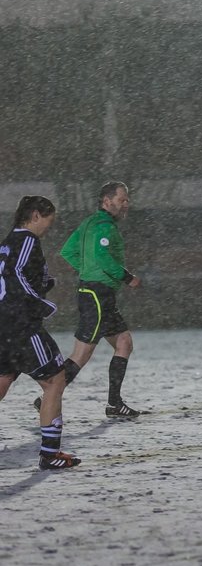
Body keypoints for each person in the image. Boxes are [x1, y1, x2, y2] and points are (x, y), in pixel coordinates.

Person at [49, 181, 146, 418]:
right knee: (81, 355)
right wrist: (127, 277)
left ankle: (115, 404)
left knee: (124, 343)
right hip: (96, 295)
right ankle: (47, 396)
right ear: (106, 201)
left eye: (127, 199)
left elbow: (67, 251)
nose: (126, 204)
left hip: (96, 294)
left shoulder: (88, 223)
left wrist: (87, 269)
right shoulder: (104, 226)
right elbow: (102, 256)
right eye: (121, 199)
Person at [0, 196, 81, 469]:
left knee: (2, 381)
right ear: (35, 216)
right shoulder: (27, 240)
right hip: (20, 324)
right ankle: (49, 454)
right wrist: (37, 301)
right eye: (49, 220)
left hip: (4, 324)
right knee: (55, 381)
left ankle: (50, 452)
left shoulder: (7, 243)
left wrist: (43, 283)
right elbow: (17, 273)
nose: (49, 226)